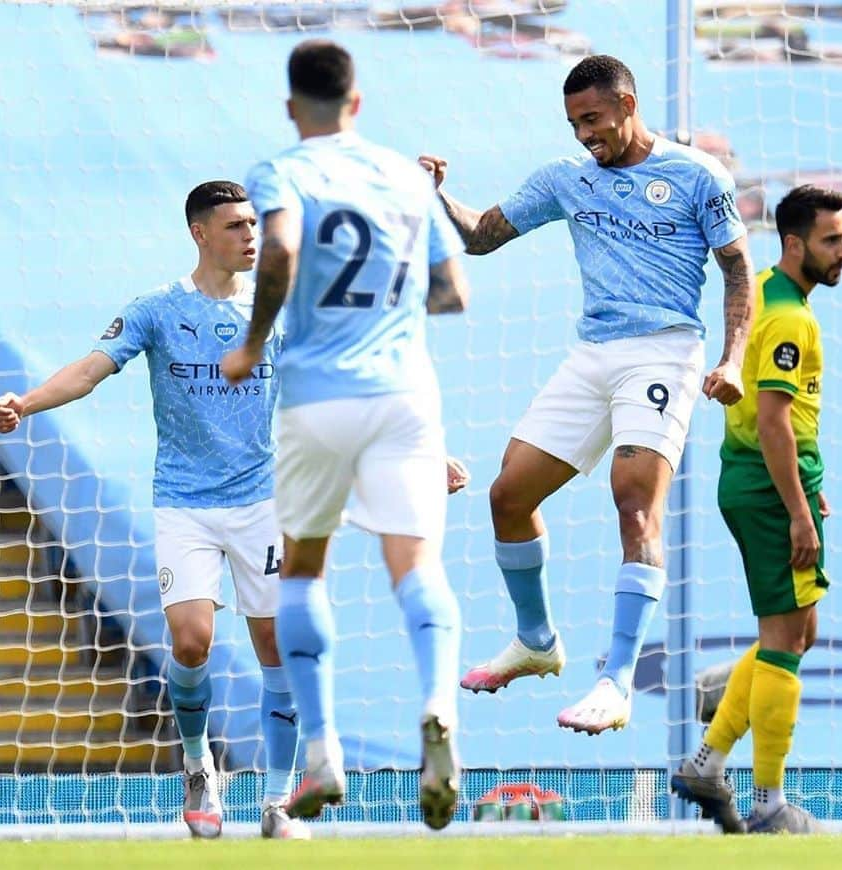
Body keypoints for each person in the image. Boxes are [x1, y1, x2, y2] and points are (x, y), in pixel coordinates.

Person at [418, 54, 756, 735]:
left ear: (628, 106)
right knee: (508, 496)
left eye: (594, 120)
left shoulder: (695, 176)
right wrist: (434, 193)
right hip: (593, 354)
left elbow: (738, 269)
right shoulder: (566, 179)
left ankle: (618, 682)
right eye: (574, 123)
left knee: (634, 506)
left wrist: (733, 359)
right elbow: (482, 236)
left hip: (664, 350)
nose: (584, 136)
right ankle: (537, 642)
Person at [0, 181, 308, 840]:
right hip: (185, 503)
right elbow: (89, 369)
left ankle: (278, 801)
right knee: (191, 642)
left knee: (277, 647)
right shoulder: (159, 310)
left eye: (255, 224)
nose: (250, 236)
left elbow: (342, 388)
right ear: (200, 233)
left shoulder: (276, 309)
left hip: (261, 503)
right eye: (235, 226)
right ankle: (199, 767)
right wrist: (26, 402)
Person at [221, 39, 471, 831]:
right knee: (416, 565)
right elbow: (453, 291)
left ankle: (322, 749)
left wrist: (257, 340)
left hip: (315, 397)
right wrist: (389, 316)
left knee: (303, 569)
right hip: (404, 394)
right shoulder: (405, 173)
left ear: (293, 108)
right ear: (357, 102)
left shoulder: (283, 168)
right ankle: (438, 708)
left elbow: (284, 248)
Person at [671, 185, 842, 834]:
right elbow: (772, 421)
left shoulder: (773, 298)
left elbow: (778, 420)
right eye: (832, 240)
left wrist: (807, 482)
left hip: (768, 478)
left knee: (799, 634)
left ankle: (710, 750)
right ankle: (769, 803)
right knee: (784, 641)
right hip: (769, 487)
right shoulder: (789, 319)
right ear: (795, 244)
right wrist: (797, 508)